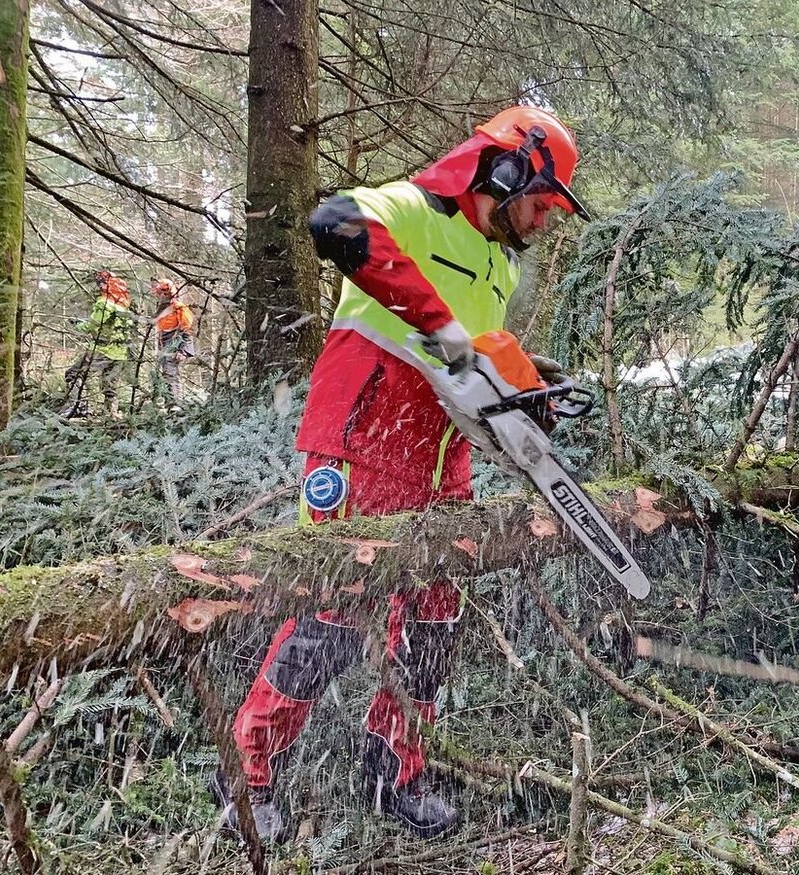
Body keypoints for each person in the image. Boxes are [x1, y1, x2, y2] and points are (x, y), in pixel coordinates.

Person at [210, 105, 589, 845]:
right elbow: (334, 223)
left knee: (431, 621)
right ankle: (245, 769)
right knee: (334, 616)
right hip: (362, 434)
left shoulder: (500, 259)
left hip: (440, 451)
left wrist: (522, 379)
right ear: (505, 171)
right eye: (542, 203)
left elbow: (471, 347)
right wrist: (442, 330)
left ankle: (393, 764)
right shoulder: (411, 208)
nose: (544, 221)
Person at [63, 270, 134, 418]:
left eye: (100, 283)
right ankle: (111, 414)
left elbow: (94, 325)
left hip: (102, 349)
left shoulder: (104, 304)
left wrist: (78, 325)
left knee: (73, 374)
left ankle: (78, 406)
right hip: (120, 353)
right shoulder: (123, 308)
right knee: (109, 384)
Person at [151, 278, 196, 411]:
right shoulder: (162, 308)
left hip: (175, 343)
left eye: (160, 293)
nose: (158, 296)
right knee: (166, 373)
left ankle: (175, 404)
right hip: (164, 343)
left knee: (171, 373)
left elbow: (187, 329)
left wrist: (183, 350)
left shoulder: (178, 307)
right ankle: (170, 403)